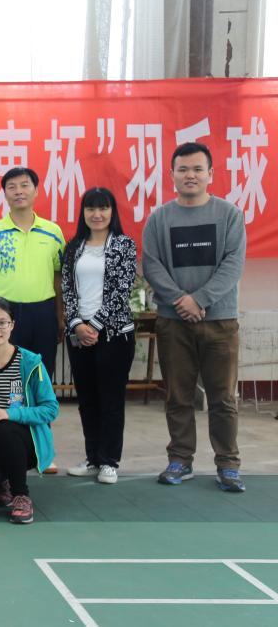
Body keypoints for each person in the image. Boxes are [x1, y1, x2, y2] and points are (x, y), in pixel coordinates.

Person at [143, 142, 247, 493]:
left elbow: (233, 264)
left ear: (210, 174)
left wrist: (199, 300)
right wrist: (180, 301)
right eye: (183, 169)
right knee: (178, 395)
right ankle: (180, 460)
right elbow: (152, 265)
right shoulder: (159, 219)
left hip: (220, 321)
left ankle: (228, 464)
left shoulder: (229, 214)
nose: (190, 175)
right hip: (174, 322)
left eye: (198, 169)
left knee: (223, 398)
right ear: (172, 175)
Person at [61, 188, 137, 485]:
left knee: (111, 399)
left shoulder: (123, 245)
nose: (97, 214)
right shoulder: (73, 247)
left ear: (112, 212)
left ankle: (109, 461)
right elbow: (67, 290)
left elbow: (122, 290)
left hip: (114, 335)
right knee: (87, 399)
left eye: (103, 208)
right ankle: (92, 458)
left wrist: (94, 325)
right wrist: (77, 325)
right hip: (80, 335)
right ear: (83, 213)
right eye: (91, 208)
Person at [0, 297, 59, 525]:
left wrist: (11, 414)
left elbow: (50, 409)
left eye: (2, 323)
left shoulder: (30, 362)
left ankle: (21, 495)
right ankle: (3, 480)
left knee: (4, 427)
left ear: (12, 325)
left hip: (27, 441)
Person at [0, 167, 65, 378]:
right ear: (5, 194)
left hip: (43, 312)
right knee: (6, 373)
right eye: (12, 187)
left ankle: (38, 402)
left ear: (36, 190)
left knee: (41, 373)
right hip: (3, 313)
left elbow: (58, 277)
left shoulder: (53, 232)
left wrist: (59, 316)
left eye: (25, 185)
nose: (19, 191)